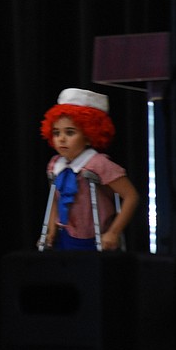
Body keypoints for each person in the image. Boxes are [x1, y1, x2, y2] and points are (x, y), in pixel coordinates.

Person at [39, 88, 139, 251]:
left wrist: (114, 232)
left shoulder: (98, 163)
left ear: (88, 136)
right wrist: (51, 229)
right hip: (64, 235)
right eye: (56, 133)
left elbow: (131, 196)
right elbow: (55, 200)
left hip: (95, 238)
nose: (61, 139)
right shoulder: (54, 165)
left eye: (70, 132)